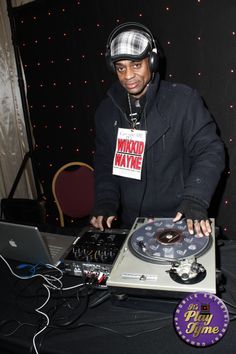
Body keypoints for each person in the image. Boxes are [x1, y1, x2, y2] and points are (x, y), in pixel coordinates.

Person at [90, 22, 225, 237]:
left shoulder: (183, 101)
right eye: (120, 67)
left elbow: (210, 150)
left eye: (136, 65)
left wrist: (195, 198)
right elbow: (106, 162)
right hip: (130, 224)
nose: (127, 76)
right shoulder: (106, 111)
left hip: (179, 219)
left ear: (151, 62)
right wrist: (106, 200)